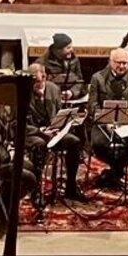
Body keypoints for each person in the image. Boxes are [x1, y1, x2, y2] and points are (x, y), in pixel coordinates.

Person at [25, 64, 87, 203]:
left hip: (53, 131)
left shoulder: (53, 89)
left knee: (75, 142)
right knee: (39, 145)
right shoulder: (23, 92)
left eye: (37, 81)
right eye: (32, 82)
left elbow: (59, 113)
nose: (34, 84)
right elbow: (17, 123)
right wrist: (40, 131)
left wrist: (59, 126)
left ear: (44, 77)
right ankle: (36, 190)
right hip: (33, 133)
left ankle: (71, 188)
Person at [88, 47, 128, 186]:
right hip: (104, 125)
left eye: (125, 63)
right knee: (99, 144)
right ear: (110, 62)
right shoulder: (98, 78)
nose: (122, 66)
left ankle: (114, 173)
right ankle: (116, 172)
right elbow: (92, 105)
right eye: (118, 63)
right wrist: (107, 122)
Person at [37, 32, 86, 100]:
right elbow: (40, 84)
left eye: (71, 47)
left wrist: (72, 92)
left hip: (72, 99)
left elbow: (80, 81)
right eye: (68, 48)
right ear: (58, 50)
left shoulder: (75, 60)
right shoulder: (42, 63)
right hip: (52, 100)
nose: (72, 50)